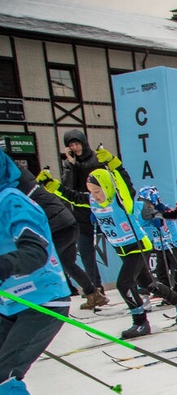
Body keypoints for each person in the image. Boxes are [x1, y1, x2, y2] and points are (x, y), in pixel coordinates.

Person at [0, 152, 71, 395]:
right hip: (10, 303)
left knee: (4, 371)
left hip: (43, 299)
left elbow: (35, 250)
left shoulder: (11, 200)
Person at [53, 167, 177, 339]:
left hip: (138, 246)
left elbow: (125, 184)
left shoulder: (119, 199)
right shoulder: (93, 201)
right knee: (147, 283)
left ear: (107, 187)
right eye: (92, 192)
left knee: (124, 284)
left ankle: (140, 322)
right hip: (122, 248)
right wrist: (53, 186)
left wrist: (114, 164)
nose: (95, 196)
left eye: (98, 191)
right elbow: (73, 196)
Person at [15, 165, 96, 308]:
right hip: (68, 222)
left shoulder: (16, 190)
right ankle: (93, 294)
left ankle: (49, 300)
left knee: (42, 262)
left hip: (56, 226)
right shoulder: (28, 182)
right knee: (67, 263)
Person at [56, 129, 108, 306]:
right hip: (81, 212)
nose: (75, 147)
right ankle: (96, 289)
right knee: (86, 252)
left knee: (119, 246)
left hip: (101, 210)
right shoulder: (70, 165)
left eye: (77, 143)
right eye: (71, 145)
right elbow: (67, 187)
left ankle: (140, 283)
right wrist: (70, 165)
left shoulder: (96, 160)